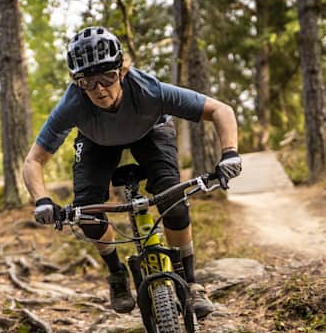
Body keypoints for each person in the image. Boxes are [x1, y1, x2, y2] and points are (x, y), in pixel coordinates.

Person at [23, 26, 242, 317]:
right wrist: (42, 200)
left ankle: (190, 283)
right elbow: (33, 161)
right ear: (77, 83)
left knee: (172, 200)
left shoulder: (149, 90)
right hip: (95, 141)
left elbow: (220, 110)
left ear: (122, 71)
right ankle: (116, 274)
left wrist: (230, 154)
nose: (100, 89)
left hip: (151, 131)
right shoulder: (73, 104)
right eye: (88, 82)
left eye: (108, 78)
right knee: (86, 212)